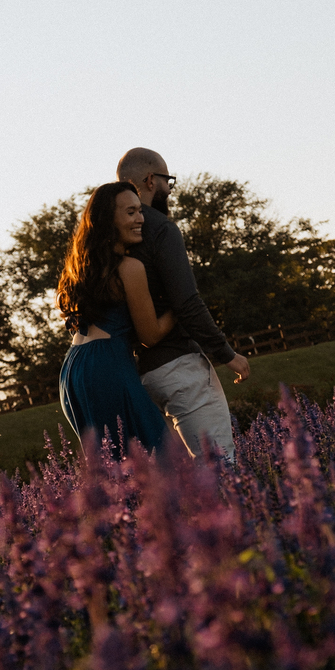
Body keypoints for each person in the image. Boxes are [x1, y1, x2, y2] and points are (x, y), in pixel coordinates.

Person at [116, 148, 250, 460]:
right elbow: (187, 302)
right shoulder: (160, 227)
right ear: (151, 180)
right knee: (220, 467)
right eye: (167, 180)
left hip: (141, 374)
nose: (169, 188)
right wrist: (227, 354)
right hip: (179, 367)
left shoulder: (111, 236)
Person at [56, 181, 174, 456]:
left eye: (140, 211)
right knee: (158, 456)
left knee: (113, 468)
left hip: (74, 368)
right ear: (109, 220)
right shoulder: (129, 268)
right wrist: (180, 307)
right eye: (130, 212)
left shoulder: (82, 268)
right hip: (106, 365)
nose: (140, 219)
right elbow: (151, 335)